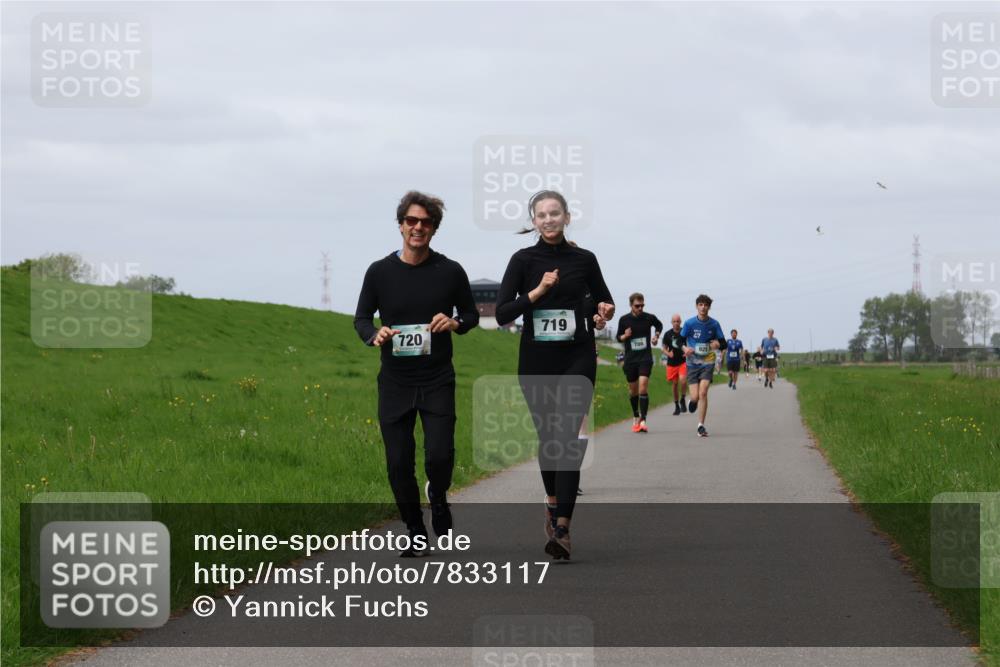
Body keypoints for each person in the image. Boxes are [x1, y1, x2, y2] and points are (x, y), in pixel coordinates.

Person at [354, 191, 479, 557]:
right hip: (395, 381)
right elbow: (362, 317)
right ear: (401, 225)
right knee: (398, 461)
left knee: (440, 455)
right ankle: (414, 531)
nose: (418, 227)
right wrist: (372, 334)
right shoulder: (379, 272)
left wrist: (455, 322)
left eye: (425, 222)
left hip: (437, 377)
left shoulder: (450, 271)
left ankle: (438, 495)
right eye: (411, 221)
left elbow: (470, 315)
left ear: (434, 228)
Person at [496, 190, 614, 560]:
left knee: (565, 439)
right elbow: (502, 313)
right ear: (533, 221)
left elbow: (602, 300)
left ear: (566, 216)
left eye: (554, 213)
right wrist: (538, 291)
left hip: (577, 357)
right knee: (549, 439)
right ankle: (551, 502)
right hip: (536, 360)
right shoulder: (522, 260)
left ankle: (562, 527)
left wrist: (604, 311)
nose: (548, 220)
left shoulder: (585, 259)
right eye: (541, 215)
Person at [616, 293, 663, 433]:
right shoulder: (624, 320)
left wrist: (656, 336)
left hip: (645, 358)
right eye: (637, 306)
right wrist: (625, 336)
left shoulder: (649, 318)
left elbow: (659, 324)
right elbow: (618, 337)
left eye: (642, 305)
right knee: (633, 390)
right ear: (631, 305)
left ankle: (643, 420)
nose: (640, 308)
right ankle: (636, 416)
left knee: (643, 387)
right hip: (630, 360)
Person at [680, 295, 726, 437]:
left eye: (706, 305)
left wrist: (716, 344)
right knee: (695, 397)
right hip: (692, 362)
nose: (703, 307)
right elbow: (678, 341)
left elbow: (723, 344)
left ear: (709, 307)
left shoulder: (714, 324)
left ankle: (701, 425)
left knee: (703, 392)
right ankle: (692, 401)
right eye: (700, 304)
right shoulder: (689, 323)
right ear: (696, 306)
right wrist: (685, 349)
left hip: (708, 361)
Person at [661, 314, 688, 415]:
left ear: (680, 322)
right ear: (671, 322)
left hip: (682, 361)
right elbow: (663, 348)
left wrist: (687, 352)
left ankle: (683, 399)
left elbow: (689, 344)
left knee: (683, 381)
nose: (676, 323)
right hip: (672, 364)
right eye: (674, 321)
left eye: (678, 321)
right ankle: (677, 405)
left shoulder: (684, 333)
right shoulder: (667, 334)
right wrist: (668, 353)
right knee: (675, 384)